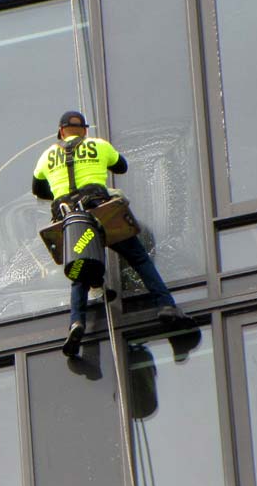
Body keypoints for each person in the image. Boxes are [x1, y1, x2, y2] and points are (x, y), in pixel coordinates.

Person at [33, 111, 192, 358]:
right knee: (138, 258)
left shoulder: (46, 156)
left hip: (74, 224)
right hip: (101, 217)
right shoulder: (98, 145)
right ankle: (165, 305)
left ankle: (77, 322)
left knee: (79, 271)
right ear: (84, 130)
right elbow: (121, 166)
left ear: (61, 131)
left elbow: (39, 190)